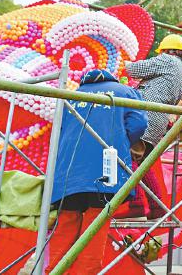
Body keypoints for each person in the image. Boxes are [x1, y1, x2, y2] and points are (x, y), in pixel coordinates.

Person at [45, 69, 147, 275]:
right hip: (105, 170)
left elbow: (58, 130)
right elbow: (139, 124)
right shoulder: (126, 92)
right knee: (95, 228)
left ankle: (53, 272)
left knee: (65, 226)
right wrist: (118, 138)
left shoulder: (70, 96)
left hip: (68, 174)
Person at [124, 33, 182, 154]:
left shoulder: (168, 60)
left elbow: (134, 69)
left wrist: (124, 62)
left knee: (123, 158)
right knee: (141, 161)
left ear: (166, 50)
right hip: (157, 127)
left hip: (143, 119)